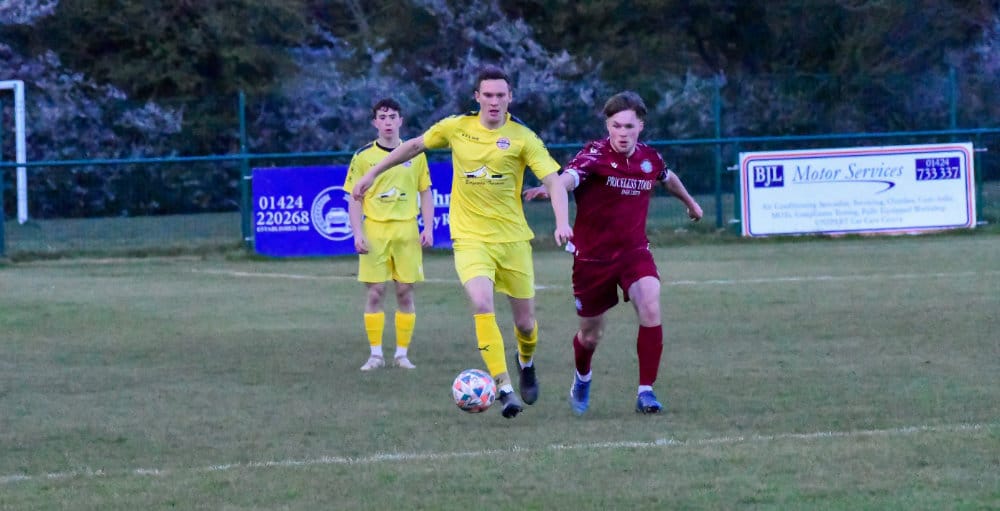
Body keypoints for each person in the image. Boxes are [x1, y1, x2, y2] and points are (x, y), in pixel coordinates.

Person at [352, 65, 572, 418]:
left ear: (510, 97)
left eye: (501, 95)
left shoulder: (523, 137)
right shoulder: (457, 127)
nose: (494, 101)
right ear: (477, 97)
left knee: (525, 325)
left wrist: (562, 221)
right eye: (488, 95)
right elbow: (413, 146)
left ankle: (526, 361)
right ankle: (504, 387)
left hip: (513, 239)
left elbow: (554, 181)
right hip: (469, 238)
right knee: (482, 304)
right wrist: (373, 172)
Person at [523, 91, 703, 415]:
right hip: (592, 259)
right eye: (616, 126)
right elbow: (564, 181)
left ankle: (646, 391)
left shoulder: (649, 158)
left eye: (629, 126)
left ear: (640, 126)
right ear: (607, 125)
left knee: (650, 304)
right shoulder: (593, 156)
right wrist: (560, 215)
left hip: (634, 252)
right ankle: (582, 377)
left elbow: (667, 177)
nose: (622, 133)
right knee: (590, 336)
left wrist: (691, 203)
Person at [343, 98, 435, 372]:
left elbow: (425, 192)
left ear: (400, 121)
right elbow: (355, 197)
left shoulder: (415, 153)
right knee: (375, 292)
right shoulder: (363, 156)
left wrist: (428, 227)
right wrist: (357, 232)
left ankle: (402, 355)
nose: (387, 122)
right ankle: (375, 355)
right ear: (375, 123)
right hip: (376, 231)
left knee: (405, 292)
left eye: (392, 117)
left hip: (407, 231)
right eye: (382, 117)